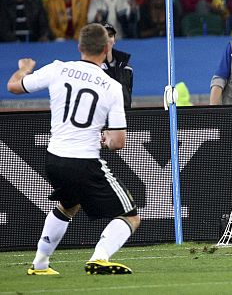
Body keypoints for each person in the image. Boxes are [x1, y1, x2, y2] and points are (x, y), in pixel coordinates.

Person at [6, 23, 139, 275]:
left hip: (54, 158)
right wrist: (106, 139)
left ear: (79, 47)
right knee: (131, 215)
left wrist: (23, 69)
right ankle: (99, 257)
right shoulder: (112, 87)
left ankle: (40, 263)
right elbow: (118, 142)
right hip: (84, 160)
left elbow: (14, 86)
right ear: (106, 48)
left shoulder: (58, 69)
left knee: (69, 205)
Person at [101, 23, 134, 109]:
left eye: (110, 36)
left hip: (124, 116)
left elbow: (128, 93)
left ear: (114, 40)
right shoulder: (94, 67)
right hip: (102, 117)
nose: (107, 39)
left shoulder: (127, 68)